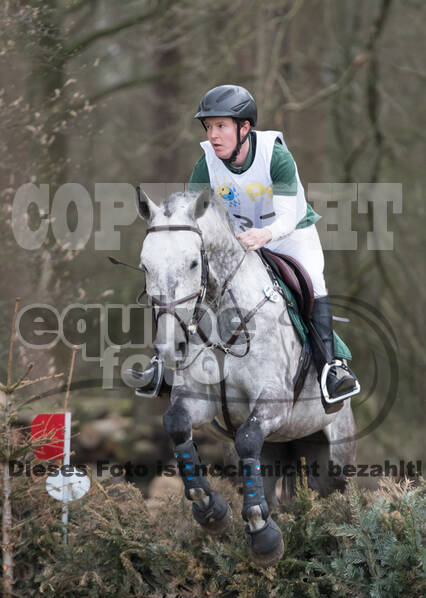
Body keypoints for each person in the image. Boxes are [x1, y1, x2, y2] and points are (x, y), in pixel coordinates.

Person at [125, 84, 359, 412]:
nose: (213, 135)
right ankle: (165, 362)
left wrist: (265, 235)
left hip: (290, 233)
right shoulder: (206, 163)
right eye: (208, 127)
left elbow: (288, 215)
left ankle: (332, 368)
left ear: (244, 127)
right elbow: (193, 217)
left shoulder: (274, 154)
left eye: (221, 126)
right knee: (191, 284)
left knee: (313, 284)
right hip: (239, 240)